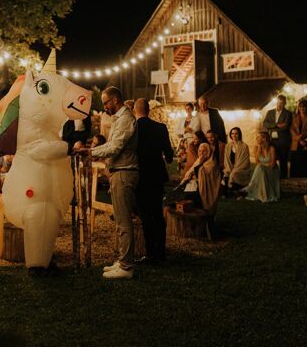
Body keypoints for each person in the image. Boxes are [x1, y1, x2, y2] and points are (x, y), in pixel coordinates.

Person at [90, 86, 138, 280]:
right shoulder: (119, 118)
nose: (105, 107)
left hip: (125, 172)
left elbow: (115, 147)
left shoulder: (126, 119)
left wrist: (91, 152)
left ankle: (126, 267)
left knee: (124, 222)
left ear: (115, 100)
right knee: (119, 221)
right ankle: (121, 260)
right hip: (119, 171)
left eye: (106, 103)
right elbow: (110, 144)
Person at [133, 97, 173, 265]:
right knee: (157, 213)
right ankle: (161, 252)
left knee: (145, 215)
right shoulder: (161, 127)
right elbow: (169, 156)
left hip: (141, 176)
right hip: (157, 175)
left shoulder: (133, 128)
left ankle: (150, 253)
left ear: (135, 110)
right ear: (149, 110)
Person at [169, 142, 221, 214]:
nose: (201, 153)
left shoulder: (211, 164)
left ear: (208, 152)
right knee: (176, 195)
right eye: (199, 151)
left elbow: (200, 174)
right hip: (191, 186)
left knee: (184, 196)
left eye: (204, 151)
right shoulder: (198, 161)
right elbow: (189, 173)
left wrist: (199, 165)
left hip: (202, 191)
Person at [240, 132, 280, 203]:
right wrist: (259, 150)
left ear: (264, 138)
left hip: (273, 171)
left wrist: (263, 165)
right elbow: (257, 162)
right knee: (259, 168)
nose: (256, 138)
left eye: (259, 137)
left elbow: (273, 164)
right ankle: (260, 193)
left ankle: (250, 187)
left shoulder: (271, 148)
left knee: (259, 167)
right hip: (262, 170)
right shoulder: (256, 148)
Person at [263, 94, 293, 178]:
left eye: (282, 103)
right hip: (271, 140)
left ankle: (284, 178)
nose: (279, 105)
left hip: (283, 140)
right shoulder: (270, 112)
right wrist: (276, 125)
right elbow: (265, 124)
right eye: (278, 103)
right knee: (272, 159)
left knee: (283, 160)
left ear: (285, 103)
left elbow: (285, 126)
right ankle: (273, 177)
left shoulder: (288, 113)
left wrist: (271, 126)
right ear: (276, 102)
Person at [290, 99, 307, 178]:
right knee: (295, 160)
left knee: (305, 160)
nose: (302, 108)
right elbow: (291, 129)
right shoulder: (294, 117)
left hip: (306, 142)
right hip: (296, 142)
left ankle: (305, 177)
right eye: (300, 107)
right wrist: (299, 139)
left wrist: (302, 136)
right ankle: (294, 177)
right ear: (298, 108)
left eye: (303, 107)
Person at [223, 127, 251, 193]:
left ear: (239, 134)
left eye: (236, 133)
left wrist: (234, 170)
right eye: (232, 133)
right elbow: (226, 160)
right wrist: (229, 169)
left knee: (234, 174)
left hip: (241, 169)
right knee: (226, 173)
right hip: (230, 167)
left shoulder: (244, 146)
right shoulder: (228, 146)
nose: (234, 135)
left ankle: (236, 191)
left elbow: (244, 162)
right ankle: (227, 193)